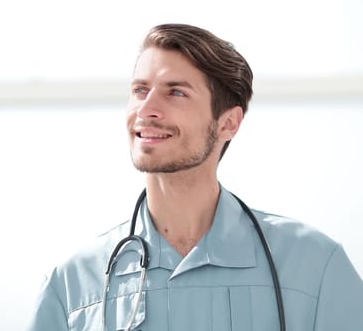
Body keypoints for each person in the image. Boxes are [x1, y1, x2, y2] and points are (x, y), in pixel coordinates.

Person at [26, 24, 363, 330]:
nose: (145, 111)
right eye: (140, 90)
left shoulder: (314, 267)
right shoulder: (72, 285)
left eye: (176, 92)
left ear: (228, 123)